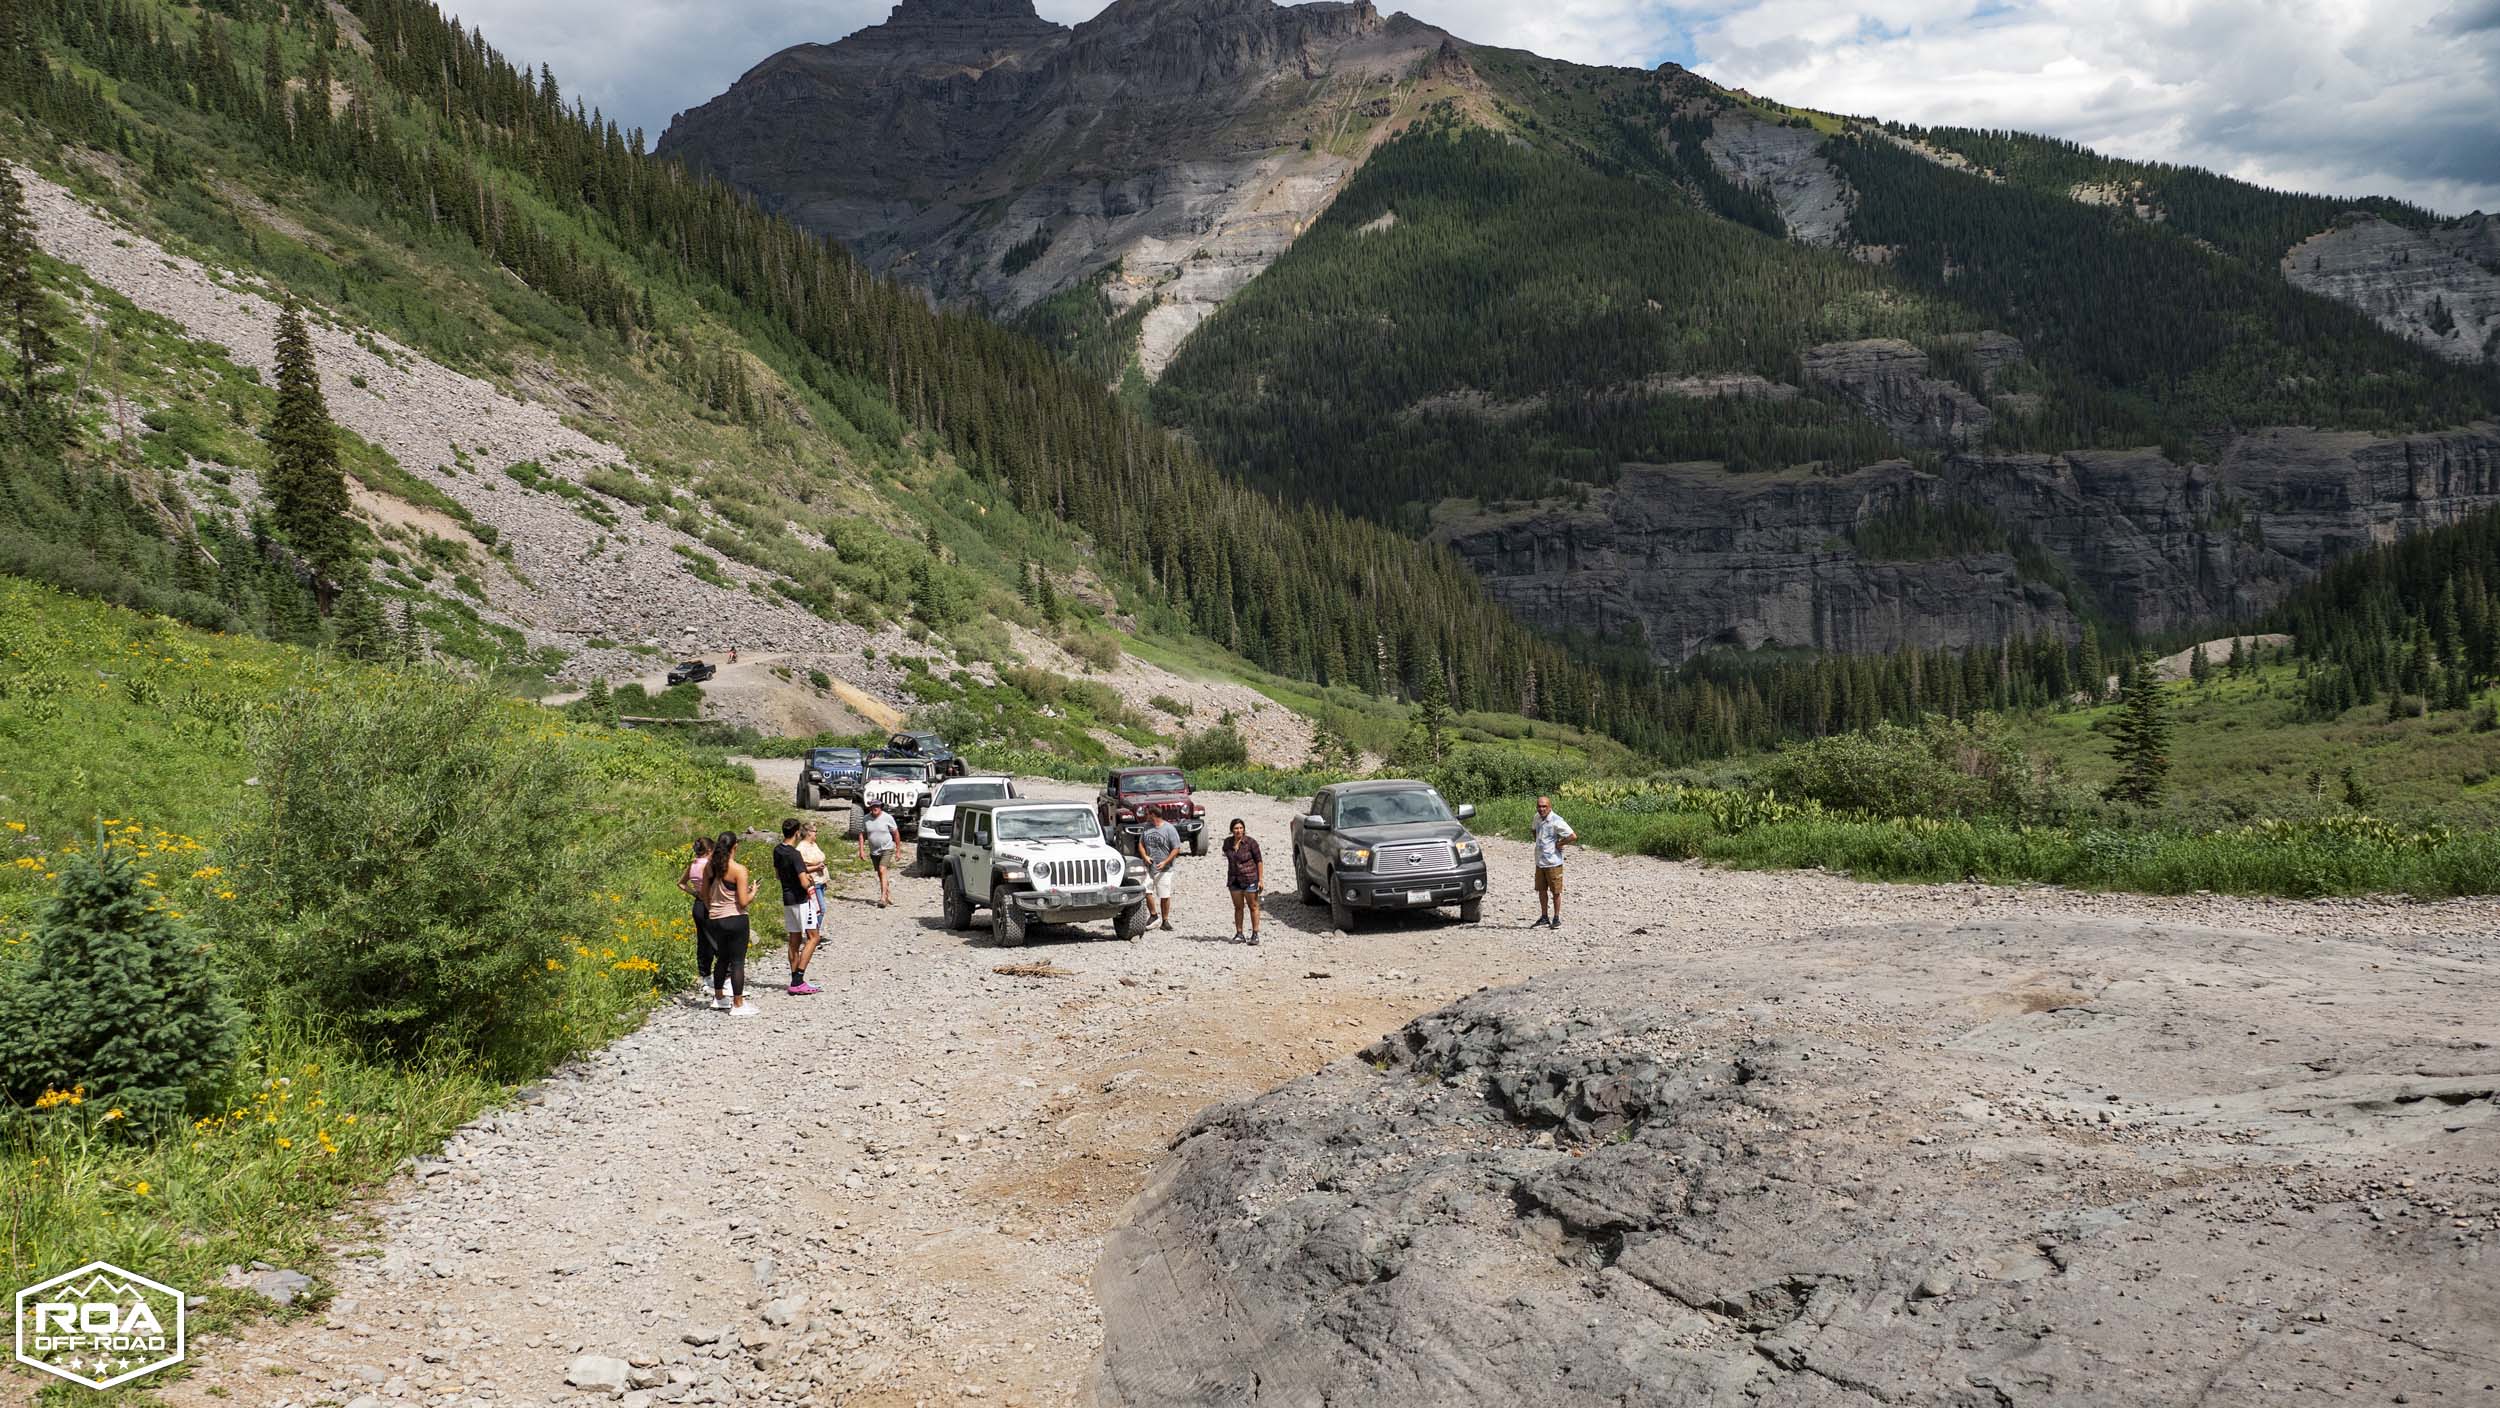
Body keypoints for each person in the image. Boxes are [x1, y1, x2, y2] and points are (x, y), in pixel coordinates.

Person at [704, 831, 757, 1016]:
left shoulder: (710, 867)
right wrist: (753, 892)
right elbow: (742, 902)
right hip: (735, 918)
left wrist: (713, 908)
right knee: (737, 962)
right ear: (735, 846)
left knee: (722, 958)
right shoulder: (739, 869)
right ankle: (738, 1004)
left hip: (715, 918)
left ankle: (719, 997)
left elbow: (704, 894)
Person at [772, 819, 820, 996]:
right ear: (797, 833)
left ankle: (794, 979)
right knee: (813, 937)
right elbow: (803, 882)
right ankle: (798, 979)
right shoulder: (795, 854)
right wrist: (809, 881)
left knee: (794, 939)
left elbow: (778, 874)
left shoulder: (777, 850)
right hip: (801, 899)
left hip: (787, 898)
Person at [1531, 794, 1577, 929]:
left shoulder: (1557, 820)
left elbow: (1572, 836)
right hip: (1540, 861)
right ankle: (1544, 916)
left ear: (1549, 807)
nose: (1541, 809)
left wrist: (1560, 843)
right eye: (1539, 806)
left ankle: (1556, 918)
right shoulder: (1536, 817)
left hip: (1553, 862)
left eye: (1544, 806)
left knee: (1556, 891)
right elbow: (1533, 830)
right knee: (1541, 890)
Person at [678, 836, 716, 999]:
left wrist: (695, 893)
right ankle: (725, 978)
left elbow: (681, 883)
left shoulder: (692, 864)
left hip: (698, 905)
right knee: (717, 941)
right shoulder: (709, 865)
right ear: (709, 850)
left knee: (703, 942)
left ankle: (705, 976)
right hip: (711, 904)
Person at [1137, 805, 1182, 933]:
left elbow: (1176, 848)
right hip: (1149, 866)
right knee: (1146, 890)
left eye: (1147, 813)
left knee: (1164, 895)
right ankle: (1153, 915)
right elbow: (1141, 844)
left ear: (1152, 814)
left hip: (1164, 868)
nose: (1146, 816)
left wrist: (1165, 861)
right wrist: (1145, 856)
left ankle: (1165, 920)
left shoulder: (1169, 829)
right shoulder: (1146, 827)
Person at [1220, 817, 1263, 945]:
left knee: (1253, 906)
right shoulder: (1227, 843)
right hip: (1234, 879)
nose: (1238, 831)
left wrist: (1260, 879)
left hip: (1250, 878)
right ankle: (1239, 933)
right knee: (1238, 907)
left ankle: (1255, 934)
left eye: (1240, 828)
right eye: (1236, 828)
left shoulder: (1251, 843)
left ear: (1244, 829)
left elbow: (1259, 861)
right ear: (1231, 830)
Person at [797, 820, 828, 989]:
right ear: (808, 832)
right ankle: (813, 934)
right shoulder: (801, 848)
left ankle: (814, 934)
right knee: (820, 909)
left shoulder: (813, 845)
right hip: (812, 882)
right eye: (815, 831)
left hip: (820, 881)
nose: (816, 834)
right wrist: (816, 867)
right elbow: (802, 866)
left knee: (820, 909)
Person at [857, 800, 901, 908]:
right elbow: (862, 834)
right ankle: (887, 893)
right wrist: (861, 850)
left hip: (887, 848)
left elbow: (895, 833)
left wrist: (898, 850)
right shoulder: (866, 819)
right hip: (874, 850)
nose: (875, 808)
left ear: (881, 807)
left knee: (882, 869)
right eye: (873, 806)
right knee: (880, 874)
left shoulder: (887, 818)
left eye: (877, 806)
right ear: (870, 808)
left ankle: (882, 898)